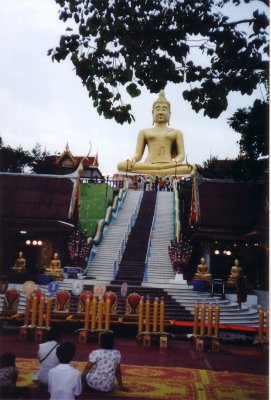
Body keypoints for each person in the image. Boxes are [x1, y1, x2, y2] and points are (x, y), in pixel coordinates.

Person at [117, 90, 195, 177]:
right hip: (149, 164)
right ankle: (161, 171)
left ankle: (159, 171)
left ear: (169, 114)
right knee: (121, 165)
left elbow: (181, 154)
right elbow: (138, 154)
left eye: (164, 109)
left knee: (193, 167)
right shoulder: (144, 132)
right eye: (157, 109)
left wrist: (175, 161)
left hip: (169, 164)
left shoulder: (176, 132)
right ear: (152, 113)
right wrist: (132, 159)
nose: (161, 112)